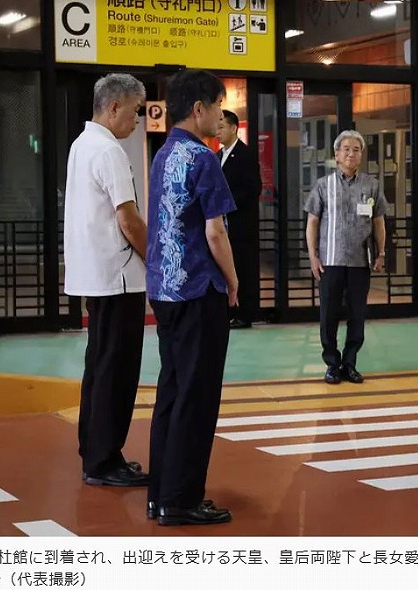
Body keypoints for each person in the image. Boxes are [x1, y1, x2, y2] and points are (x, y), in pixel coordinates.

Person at [145, 69, 238, 526]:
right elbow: (215, 232)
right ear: (199, 108)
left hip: (165, 288)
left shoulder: (163, 155)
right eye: (218, 105)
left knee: (172, 389)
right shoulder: (203, 157)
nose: (221, 115)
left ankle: (160, 493)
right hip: (200, 288)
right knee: (197, 396)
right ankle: (181, 499)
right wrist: (233, 281)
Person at [64, 73, 149, 487]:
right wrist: (157, 259)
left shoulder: (81, 145)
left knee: (99, 367)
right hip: (119, 276)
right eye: (135, 110)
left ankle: (95, 451)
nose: (137, 119)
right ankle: (105, 460)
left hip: (94, 275)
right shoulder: (109, 150)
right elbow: (128, 219)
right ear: (114, 107)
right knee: (117, 370)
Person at [304, 130, 387, 385]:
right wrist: (313, 256)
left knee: (357, 315)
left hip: (360, 261)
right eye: (346, 149)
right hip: (330, 261)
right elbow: (312, 222)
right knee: (328, 315)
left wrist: (381, 252)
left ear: (361, 155)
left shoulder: (371, 185)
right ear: (337, 154)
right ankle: (332, 364)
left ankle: (350, 363)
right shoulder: (323, 185)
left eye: (356, 149)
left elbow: (379, 222)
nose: (351, 153)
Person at [216, 110, 263, 329]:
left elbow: (253, 189)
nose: (217, 132)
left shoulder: (245, 154)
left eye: (222, 127)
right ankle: (229, 311)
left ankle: (246, 313)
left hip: (241, 224)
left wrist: (226, 204)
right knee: (226, 267)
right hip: (223, 225)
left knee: (244, 268)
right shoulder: (217, 155)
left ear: (234, 128)